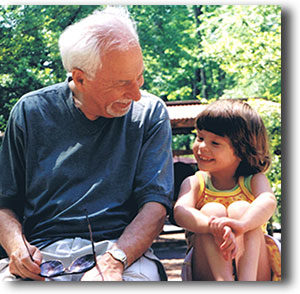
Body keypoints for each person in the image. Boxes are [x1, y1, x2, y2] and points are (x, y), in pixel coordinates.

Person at [0, 7, 173, 281]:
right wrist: (16, 248)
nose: (137, 94)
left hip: (121, 252)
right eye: (122, 84)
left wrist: (115, 261)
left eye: (139, 77)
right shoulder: (30, 112)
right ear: (80, 78)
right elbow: (4, 201)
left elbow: (155, 205)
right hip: (41, 254)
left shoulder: (150, 113)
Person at [173, 99, 281, 281]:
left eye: (215, 143)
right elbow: (180, 212)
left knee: (242, 209)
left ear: (241, 150)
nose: (201, 147)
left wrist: (242, 225)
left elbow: (268, 201)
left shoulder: (254, 181)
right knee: (211, 211)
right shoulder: (196, 182)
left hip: (255, 271)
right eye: (200, 137)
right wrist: (212, 226)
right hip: (208, 271)